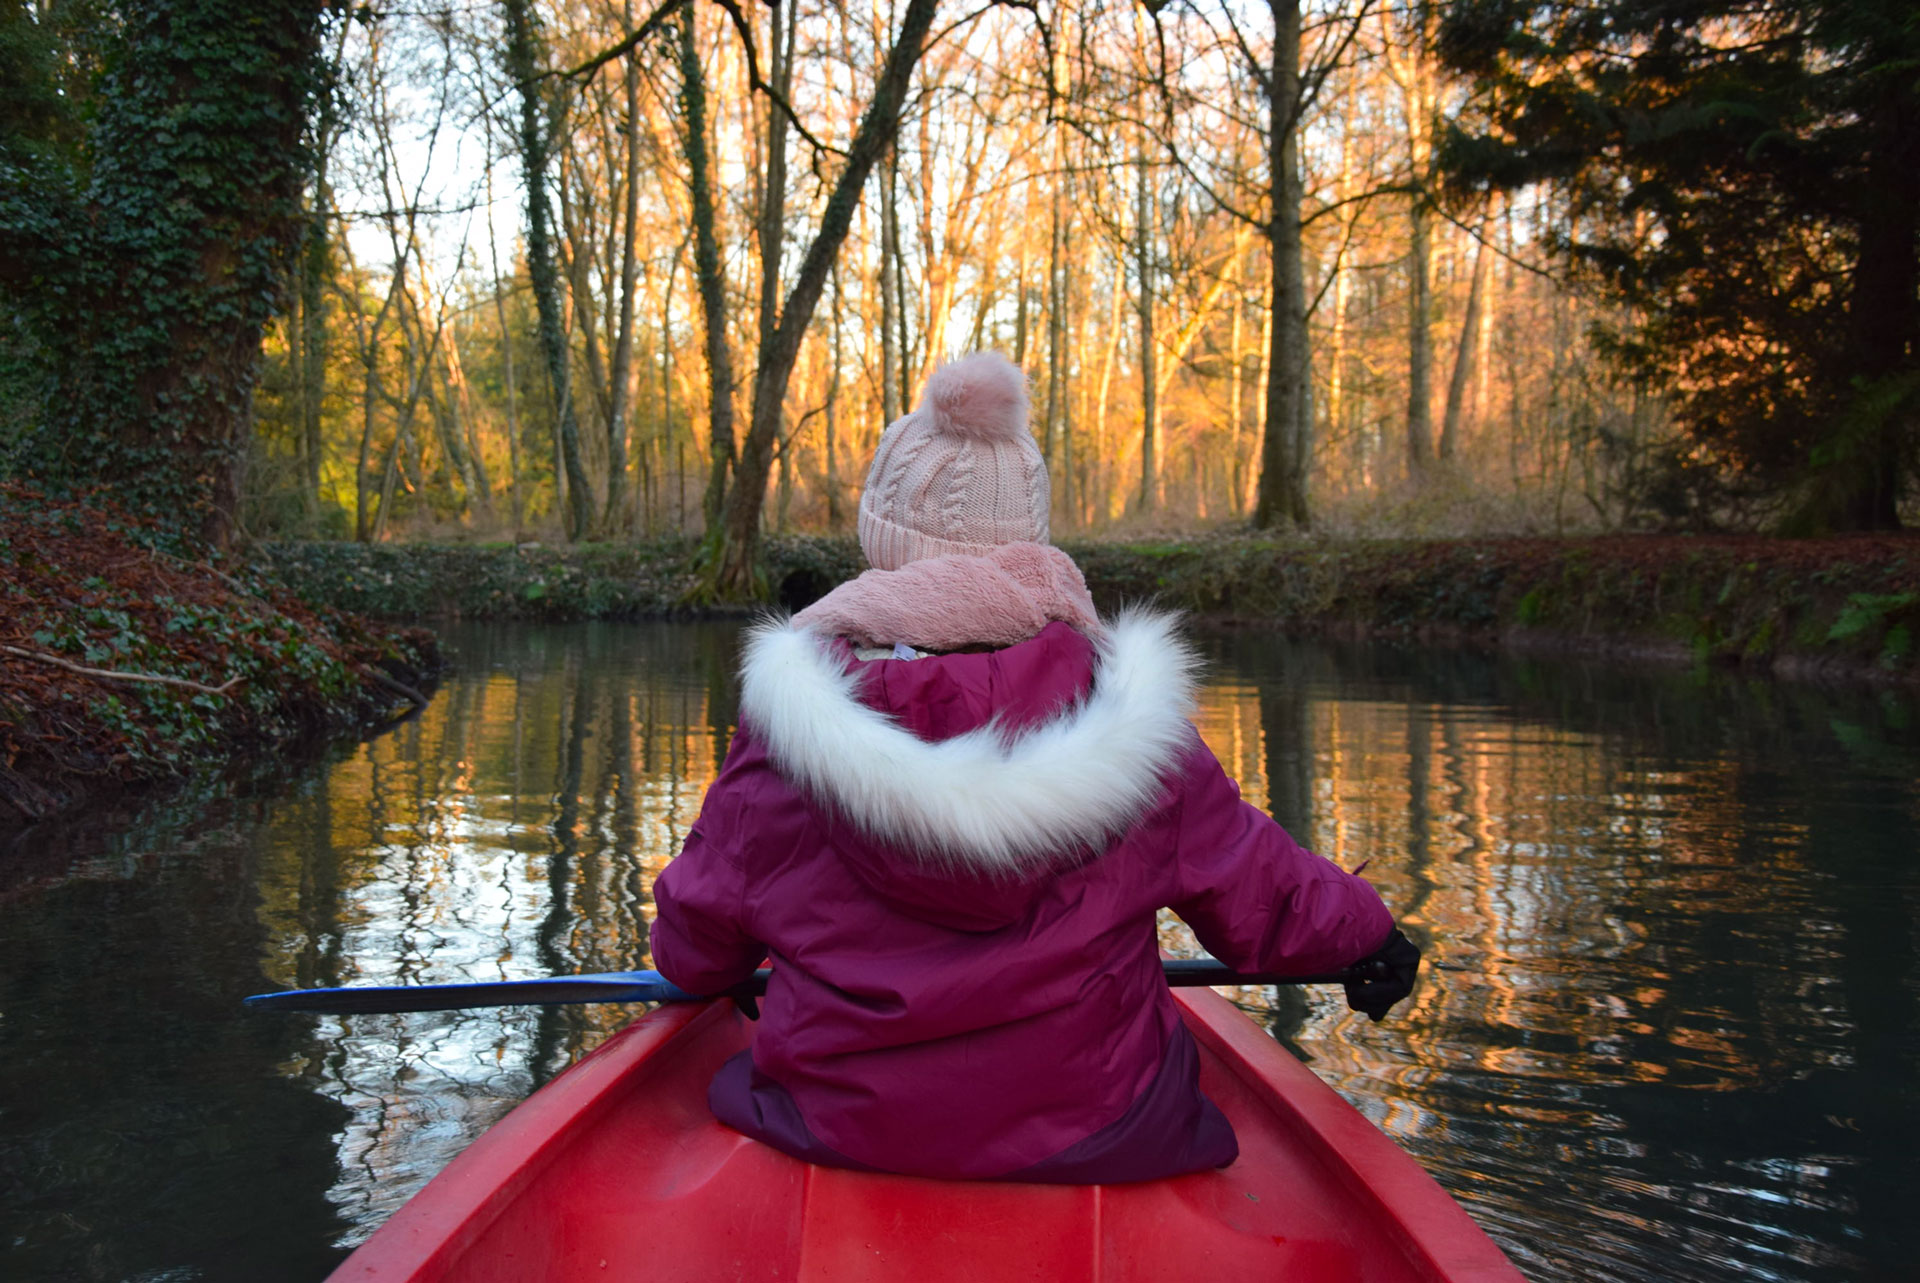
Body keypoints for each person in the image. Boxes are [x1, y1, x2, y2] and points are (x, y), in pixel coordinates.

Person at [650, 351, 1418, 1184]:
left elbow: (696, 944)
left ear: (880, 542)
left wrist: (711, 969)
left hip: (833, 1118)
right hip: (1104, 1124)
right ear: (1028, 547)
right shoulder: (1129, 719)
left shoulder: (784, 727)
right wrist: (1369, 932)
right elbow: (1258, 886)